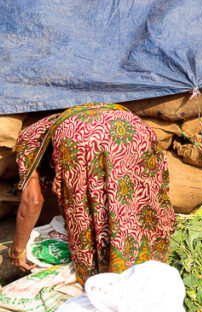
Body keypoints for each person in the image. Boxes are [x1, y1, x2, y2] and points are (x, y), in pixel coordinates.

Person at [9, 104, 175, 283]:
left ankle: (97, 276)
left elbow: (32, 200)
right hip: (133, 129)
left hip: (79, 136)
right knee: (135, 199)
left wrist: (17, 250)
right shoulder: (58, 122)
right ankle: (146, 267)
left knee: (81, 207)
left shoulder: (27, 144)